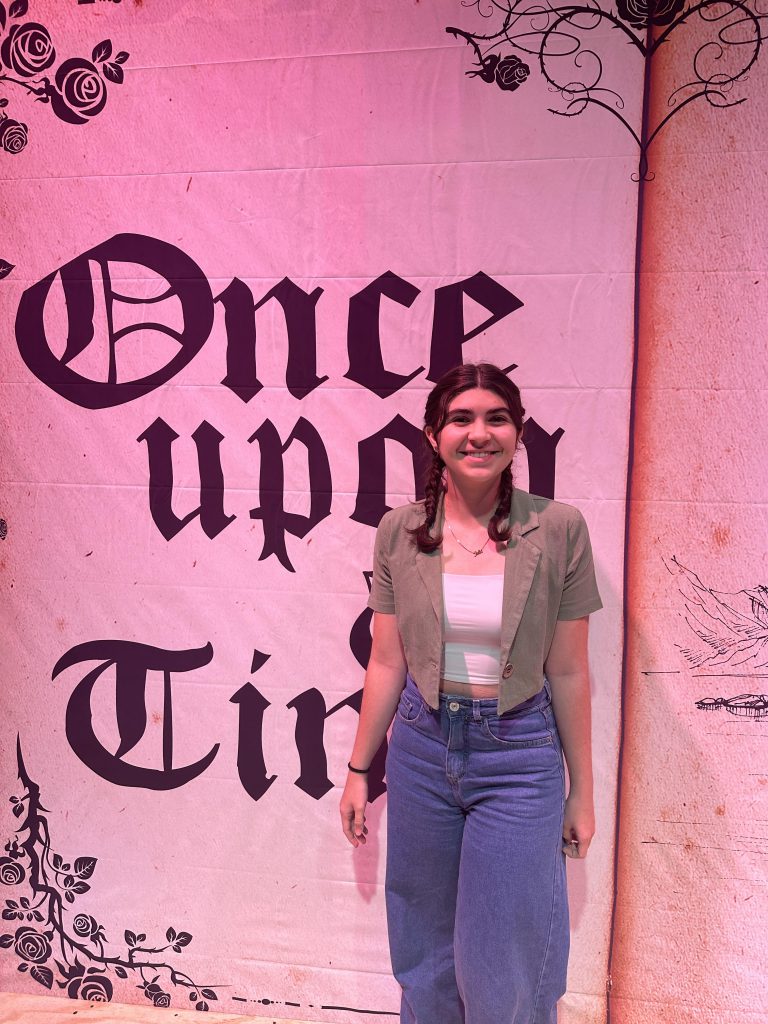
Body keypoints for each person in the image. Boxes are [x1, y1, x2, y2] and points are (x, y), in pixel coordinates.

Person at [339, 362, 602, 1024]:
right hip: (423, 750)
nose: (478, 433)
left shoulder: (560, 529)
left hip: (518, 756)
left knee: (501, 958)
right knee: (422, 953)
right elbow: (386, 660)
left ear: (518, 435)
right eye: (461, 418)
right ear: (433, 436)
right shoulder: (400, 531)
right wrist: (356, 771)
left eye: (497, 418)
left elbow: (569, 671)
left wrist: (582, 791)